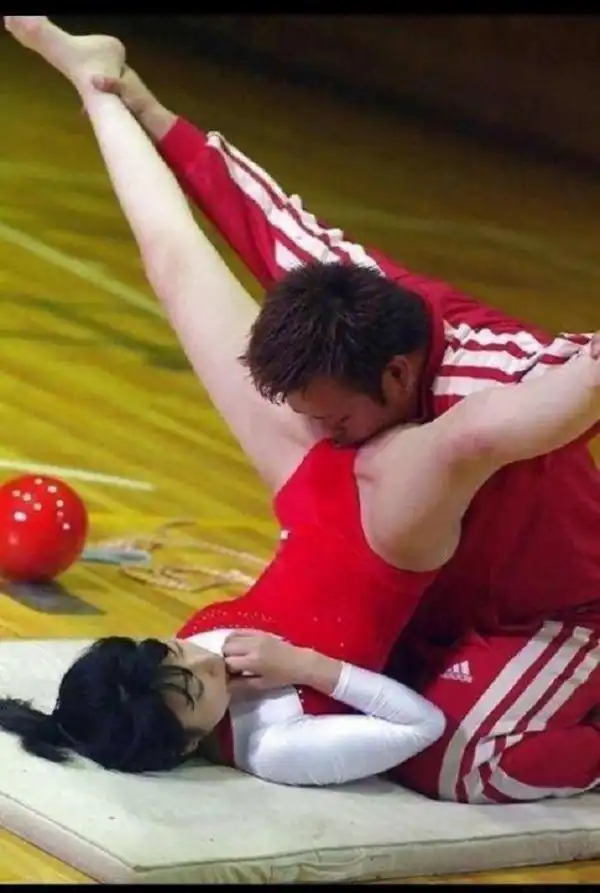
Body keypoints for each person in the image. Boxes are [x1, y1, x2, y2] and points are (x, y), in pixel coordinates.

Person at [1, 18, 599, 800]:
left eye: (335, 418)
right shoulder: (332, 316)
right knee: (178, 273)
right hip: (383, 544)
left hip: (537, 588)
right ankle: (96, 79)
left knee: (461, 757)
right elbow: (223, 232)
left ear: (394, 380)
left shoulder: (485, 385)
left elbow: (526, 408)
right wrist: (123, 98)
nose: (321, 428)